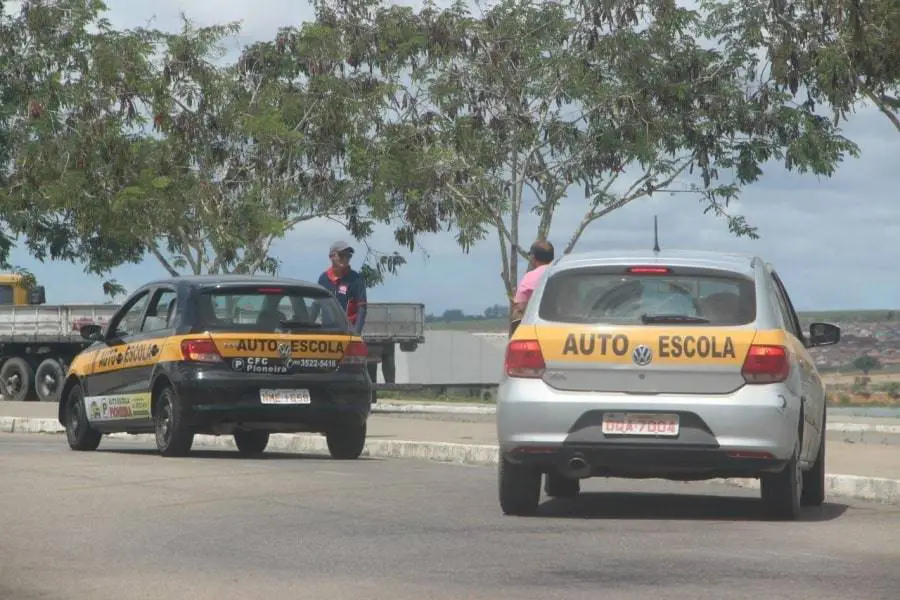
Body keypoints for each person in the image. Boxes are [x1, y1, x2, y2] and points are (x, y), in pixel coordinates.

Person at [315, 241, 368, 334]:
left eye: (348, 256)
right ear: (331, 256)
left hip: (348, 332)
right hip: (327, 332)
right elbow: (316, 305)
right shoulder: (323, 279)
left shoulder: (356, 279)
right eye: (341, 255)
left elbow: (362, 308)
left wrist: (356, 332)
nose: (345, 258)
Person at [509, 239, 554, 334]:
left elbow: (519, 310)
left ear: (533, 257)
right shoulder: (561, 273)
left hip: (536, 331)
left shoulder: (529, 278)